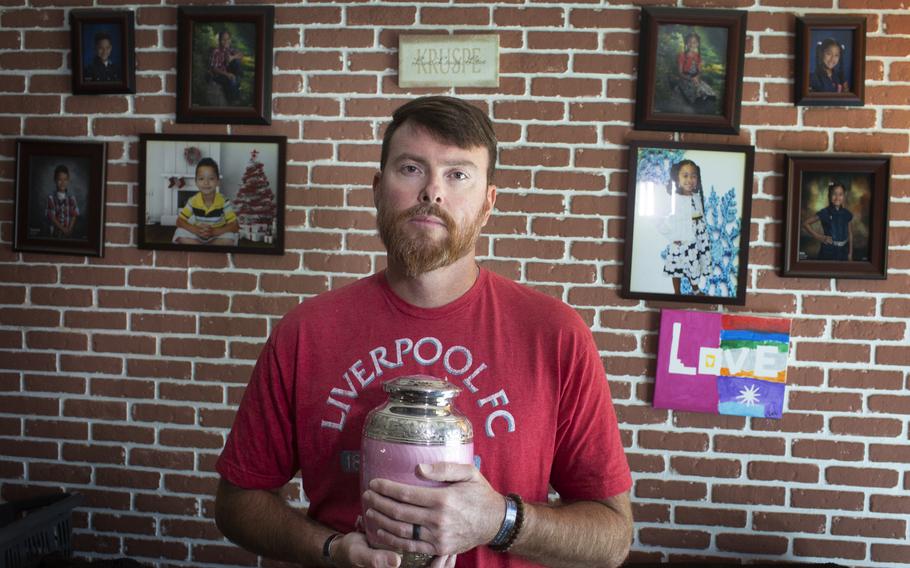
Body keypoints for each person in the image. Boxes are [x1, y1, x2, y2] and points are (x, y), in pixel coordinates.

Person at [214, 96, 633, 568]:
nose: (432, 191)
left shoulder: (555, 335)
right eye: (411, 168)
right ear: (377, 188)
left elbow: (613, 537)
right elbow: (236, 502)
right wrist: (330, 550)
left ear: (488, 203)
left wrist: (500, 521)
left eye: (458, 174)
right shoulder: (305, 332)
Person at [657, 159, 712, 295]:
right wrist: (672, 236)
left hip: (696, 239)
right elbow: (661, 221)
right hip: (681, 240)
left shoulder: (697, 196)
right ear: (678, 178)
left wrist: (703, 235)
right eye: (685, 175)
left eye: (693, 175)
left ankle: (695, 289)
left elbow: (700, 215)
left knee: (693, 265)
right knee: (677, 267)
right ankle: (677, 292)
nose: (690, 179)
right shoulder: (674, 199)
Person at [172, 157, 239, 245]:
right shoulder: (193, 201)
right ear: (196, 182)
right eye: (201, 179)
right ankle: (204, 247)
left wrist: (215, 232)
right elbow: (179, 221)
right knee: (179, 232)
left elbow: (234, 225)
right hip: (197, 235)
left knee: (230, 237)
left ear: (218, 181)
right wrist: (195, 230)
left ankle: (204, 248)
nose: (206, 183)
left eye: (211, 178)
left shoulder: (224, 201)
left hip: (217, 235)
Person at [802, 181, 853, 261]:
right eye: (834, 194)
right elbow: (805, 223)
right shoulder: (825, 212)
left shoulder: (847, 214)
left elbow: (850, 233)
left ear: (844, 196)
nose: (837, 197)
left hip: (844, 251)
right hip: (828, 251)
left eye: (840, 194)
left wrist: (850, 253)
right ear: (829, 195)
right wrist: (819, 237)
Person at [675, 32, 717, 108]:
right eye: (689, 42)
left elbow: (700, 71)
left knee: (707, 91)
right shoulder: (682, 55)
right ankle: (695, 102)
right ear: (686, 43)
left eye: (694, 42)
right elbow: (680, 73)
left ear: (697, 44)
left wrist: (697, 77)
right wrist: (690, 78)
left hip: (695, 78)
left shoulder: (697, 56)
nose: (692, 44)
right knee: (694, 90)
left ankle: (703, 100)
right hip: (685, 78)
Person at [209, 30, 244, 104]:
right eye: (223, 39)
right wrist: (227, 74)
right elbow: (214, 69)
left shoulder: (228, 49)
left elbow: (241, 55)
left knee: (237, 62)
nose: (226, 41)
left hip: (226, 72)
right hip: (218, 75)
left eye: (228, 39)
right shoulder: (216, 51)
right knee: (231, 79)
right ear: (219, 40)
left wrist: (233, 57)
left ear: (230, 40)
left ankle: (236, 86)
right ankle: (233, 99)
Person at [45, 165, 79, 238]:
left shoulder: (71, 198)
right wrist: (63, 229)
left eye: (65, 179)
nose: (63, 182)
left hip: (68, 231)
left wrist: (69, 228)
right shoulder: (51, 198)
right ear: (55, 180)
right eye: (60, 180)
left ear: (68, 180)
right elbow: (52, 217)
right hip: (55, 231)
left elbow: (74, 214)